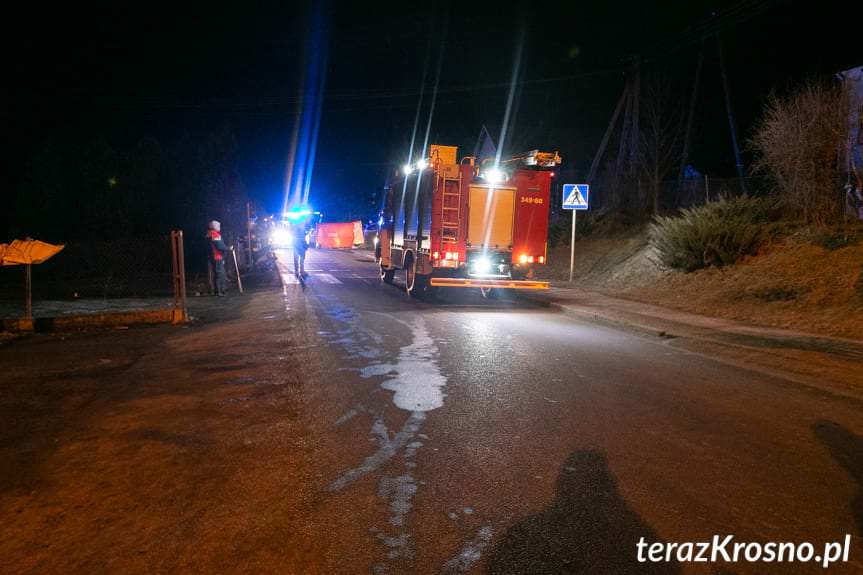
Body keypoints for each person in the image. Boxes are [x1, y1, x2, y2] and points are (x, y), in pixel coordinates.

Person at [207, 220, 230, 296]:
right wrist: (228, 248)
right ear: (215, 226)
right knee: (220, 273)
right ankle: (220, 290)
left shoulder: (209, 234)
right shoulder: (215, 234)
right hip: (217, 256)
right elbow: (220, 246)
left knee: (217, 273)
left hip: (212, 257)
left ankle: (217, 290)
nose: (219, 227)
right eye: (218, 226)